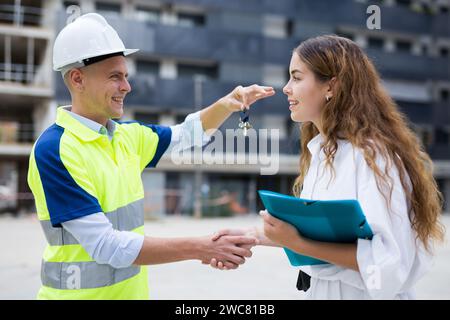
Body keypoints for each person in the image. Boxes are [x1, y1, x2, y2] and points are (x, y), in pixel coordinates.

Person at [27, 13, 274, 300]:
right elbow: (106, 245)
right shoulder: (55, 150)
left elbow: (187, 135)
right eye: (115, 77)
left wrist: (226, 105)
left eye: (126, 77)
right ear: (78, 78)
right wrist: (202, 246)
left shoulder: (127, 136)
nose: (126, 87)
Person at [210, 35, 446, 299]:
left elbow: (388, 264)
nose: (286, 88)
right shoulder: (322, 153)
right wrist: (250, 235)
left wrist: (298, 243)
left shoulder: (373, 157)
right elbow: (324, 237)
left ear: (330, 87)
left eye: (297, 78)